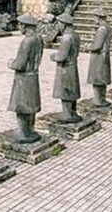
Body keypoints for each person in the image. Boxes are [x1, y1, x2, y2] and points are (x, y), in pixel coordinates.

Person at [7, 14, 43, 143]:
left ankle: (23, 132)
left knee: (21, 106)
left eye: (20, 25)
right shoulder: (38, 38)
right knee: (31, 105)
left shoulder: (27, 41)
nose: (19, 27)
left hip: (24, 78)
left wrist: (11, 63)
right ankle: (30, 129)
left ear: (25, 26)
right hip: (34, 75)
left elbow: (20, 64)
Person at [50, 12, 81, 123]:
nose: (58, 26)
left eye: (59, 23)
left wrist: (53, 56)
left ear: (64, 24)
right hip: (73, 65)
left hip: (66, 68)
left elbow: (61, 56)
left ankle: (67, 114)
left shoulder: (66, 38)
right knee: (72, 90)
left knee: (65, 91)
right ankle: (72, 112)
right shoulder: (75, 35)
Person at [87, 7, 112, 107]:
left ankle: (98, 99)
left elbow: (97, 46)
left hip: (98, 56)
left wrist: (89, 47)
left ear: (98, 17)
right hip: (104, 56)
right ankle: (102, 98)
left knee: (97, 78)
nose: (94, 19)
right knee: (102, 78)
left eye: (94, 17)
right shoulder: (108, 27)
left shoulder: (101, 29)